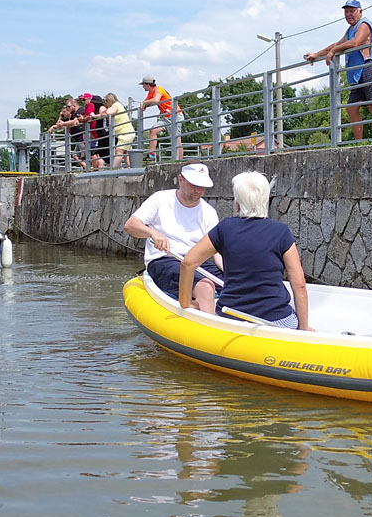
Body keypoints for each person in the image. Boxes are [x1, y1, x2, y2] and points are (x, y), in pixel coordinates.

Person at [180, 171, 310, 330]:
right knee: (290, 310)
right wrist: (304, 328)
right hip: (276, 319)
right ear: (265, 201)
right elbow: (299, 284)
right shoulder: (281, 231)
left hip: (231, 317)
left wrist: (185, 302)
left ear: (237, 204)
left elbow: (188, 263)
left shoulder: (225, 228)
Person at [124, 162, 223, 311]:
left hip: (196, 261)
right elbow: (131, 225)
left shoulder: (209, 212)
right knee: (205, 287)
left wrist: (229, 269)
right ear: (181, 180)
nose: (198, 191)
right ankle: (209, 320)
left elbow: (217, 251)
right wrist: (153, 233)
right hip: (165, 259)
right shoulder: (160, 199)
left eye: (202, 186)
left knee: (236, 282)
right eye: (194, 185)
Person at [304, 0, 372, 141]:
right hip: (357, 73)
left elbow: (356, 42)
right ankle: (358, 142)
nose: (349, 14)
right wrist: (316, 55)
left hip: (369, 67)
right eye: (346, 11)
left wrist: (334, 50)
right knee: (351, 108)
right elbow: (337, 44)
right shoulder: (350, 30)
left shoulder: (364, 24)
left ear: (360, 11)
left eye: (352, 11)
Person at [138, 75, 182, 160]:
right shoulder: (150, 93)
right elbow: (145, 104)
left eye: (143, 84)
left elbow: (155, 100)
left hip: (175, 115)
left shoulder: (159, 89)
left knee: (176, 140)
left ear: (147, 84)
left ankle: (180, 161)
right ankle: (151, 156)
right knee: (153, 130)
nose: (143, 87)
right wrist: (144, 104)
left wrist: (144, 103)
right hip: (166, 117)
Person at [104, 92, 134, 168]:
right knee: (125, 152)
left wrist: (106, 110)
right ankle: (130, 168)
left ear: (110, 100)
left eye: (106, 101)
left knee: (118, 151)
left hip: (125, 133)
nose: (106, 103)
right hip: (125, 133)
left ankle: (113, 170)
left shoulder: (116, 105)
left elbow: (109, 112)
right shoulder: (118, 105)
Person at [77, 92, 106, 170]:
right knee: (94, 152)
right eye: (82, 100)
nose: (82, 102)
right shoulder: (88, 107)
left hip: (94, 131)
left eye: (84, 100)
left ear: (89, 99)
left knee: (93, 152)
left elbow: (90, 117)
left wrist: (83, 119)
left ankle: (97, 169)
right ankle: (97, 169)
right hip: (92, 131)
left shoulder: (90, 105)